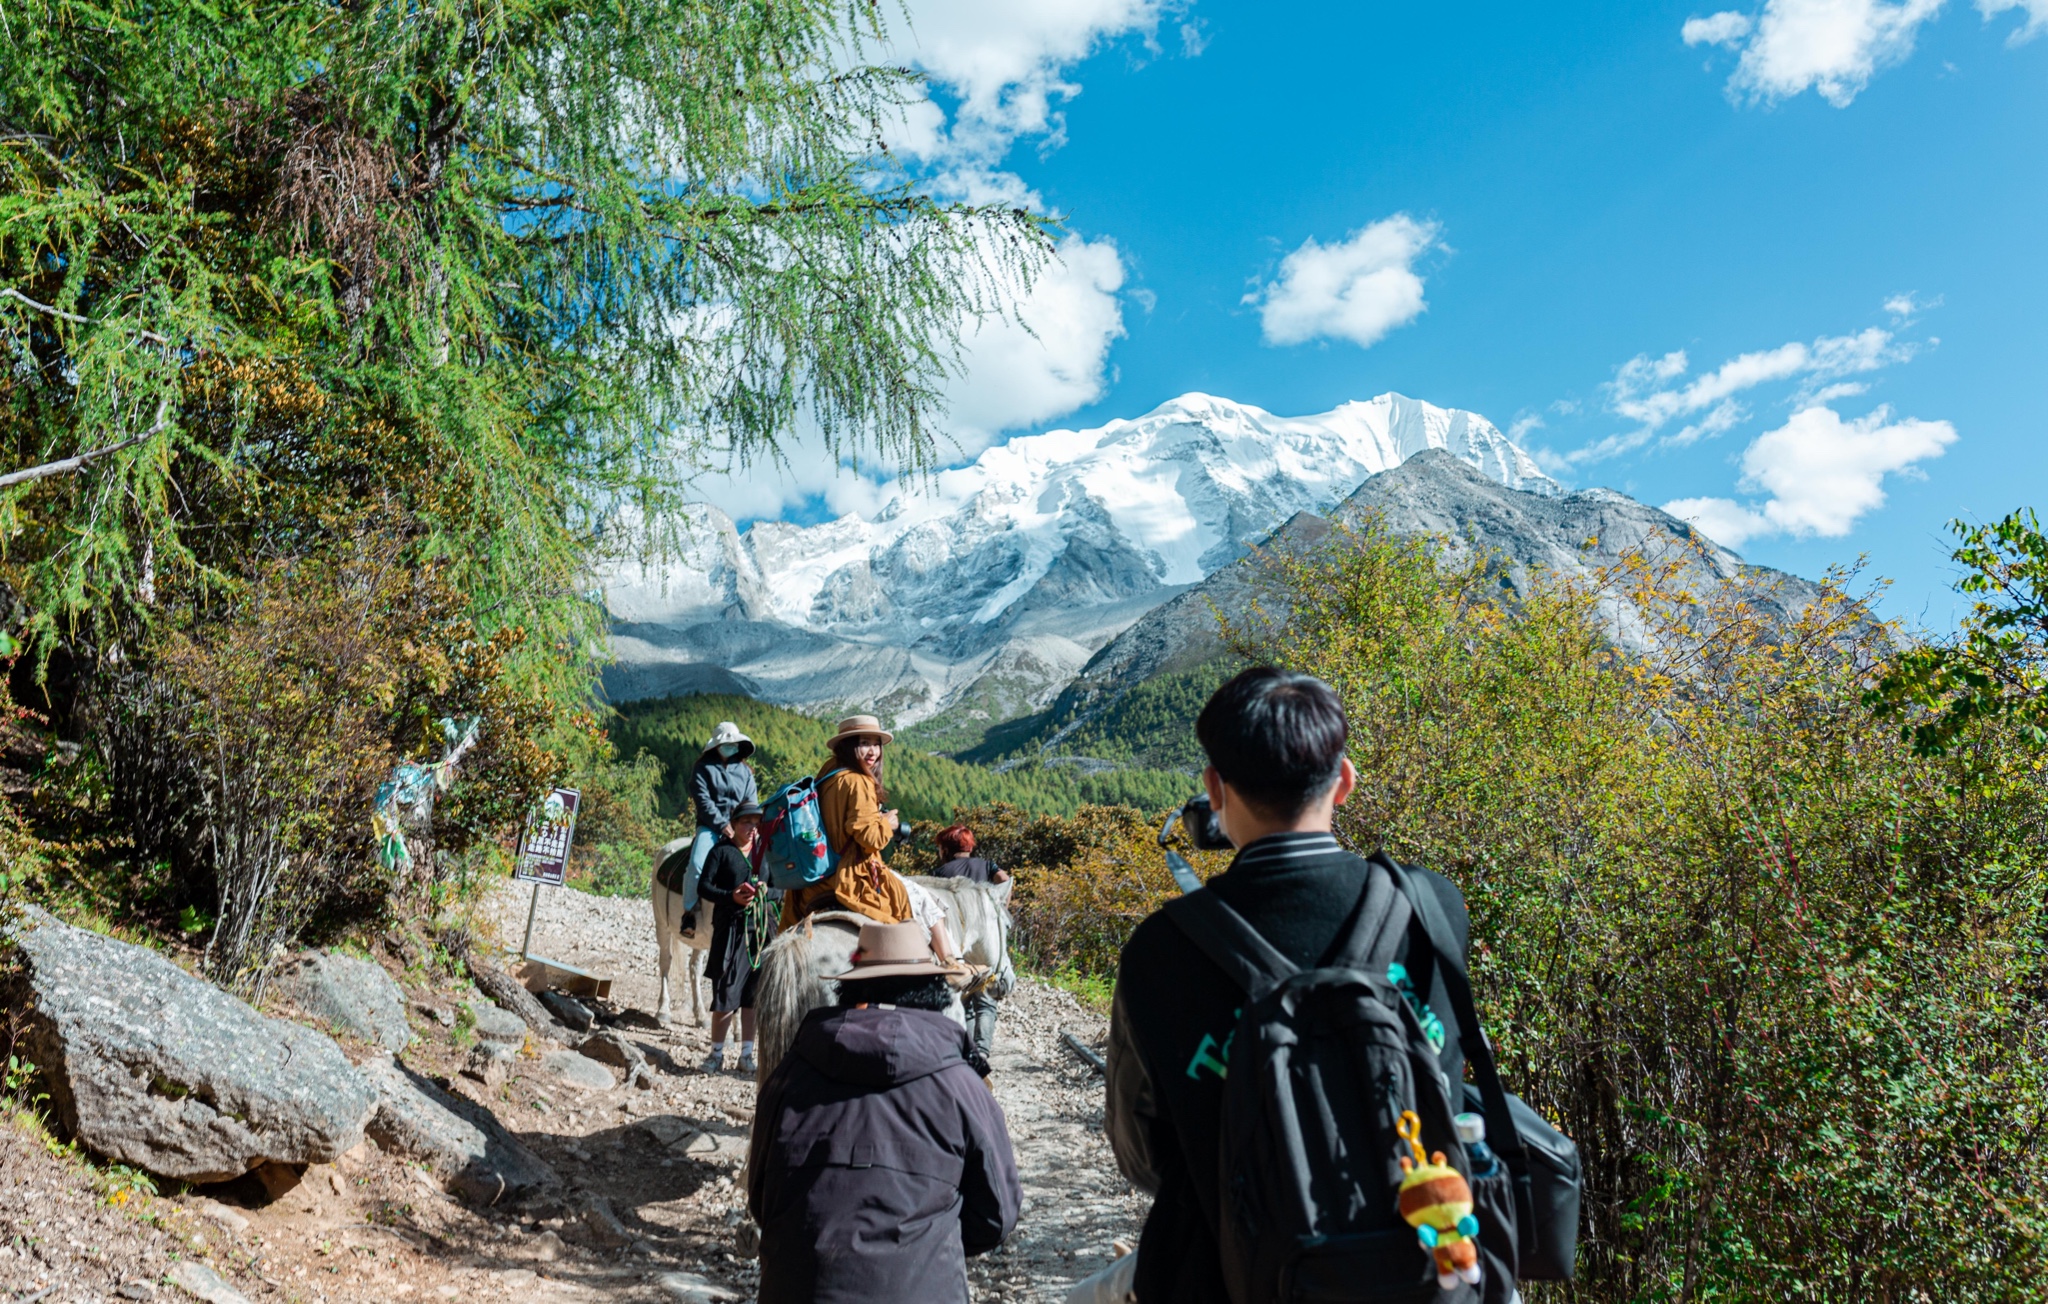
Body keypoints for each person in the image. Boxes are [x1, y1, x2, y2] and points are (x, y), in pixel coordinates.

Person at [1104, 666, 1474, 1304]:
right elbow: (1450, 1084)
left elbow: (1141, 1155)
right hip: (1423, 1265)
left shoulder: (1160, 949)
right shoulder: (1431, 906)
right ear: (1346, 781)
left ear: (1214, 791)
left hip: (1227, 1277)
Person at [748, 919, 1022, 1304]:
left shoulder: (788, 1074)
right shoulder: (963, 1085)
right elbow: (997, 1217)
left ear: (849, 988)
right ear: (932, 992)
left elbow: (762, 1197)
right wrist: (923, 1238)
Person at [781, 714, 913, 927]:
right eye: (864, 743)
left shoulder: (827, 775)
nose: (873, 752)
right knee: (908, 905)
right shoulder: (858, 781)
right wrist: (887, 824)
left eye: (876, 744)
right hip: (847, 879)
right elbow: (870, 839)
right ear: (849, 746)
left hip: (812, 882)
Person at [696, 800, 774, 1074]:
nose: (752, 828)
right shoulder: (721, 851)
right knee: (726, 992)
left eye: (756, 823)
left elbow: (779, 888)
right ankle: (716, 1054)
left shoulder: (765, 852)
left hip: (760, 933)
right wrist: (730, 897)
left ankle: (746, 1056)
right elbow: (704, 886)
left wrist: (765, 890)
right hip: (730, 931)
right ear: (735, 823)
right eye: (746, 822)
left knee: (752, 995)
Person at [931, 824, 1006, 1071]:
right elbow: (1005, 880)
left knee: (962, 996)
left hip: (958, 940)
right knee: (985, 999)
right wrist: (1000, 909)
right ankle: (982, 1052)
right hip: (984, 938)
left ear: (946, 849)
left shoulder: (941, 871)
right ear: (969, 847)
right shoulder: (986, 865)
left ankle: (965, 1051)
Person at [680, 722, 758, 936]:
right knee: (696, 865)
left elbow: (751, 801)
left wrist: (750, 824)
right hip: (710, 828)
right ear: (717, 746)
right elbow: (703, 802)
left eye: (734, 743)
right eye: (727, 743)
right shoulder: (702, 769)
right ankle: (689, 913)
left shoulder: (745, 772)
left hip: (740, 827)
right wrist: (723, 826)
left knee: (761, 863)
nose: (731, 746)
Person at [932, 824, 1010, 884]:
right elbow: (1005, 880)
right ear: (970, 848)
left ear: (944, 850)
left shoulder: (940, 873)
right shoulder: (988, 866)